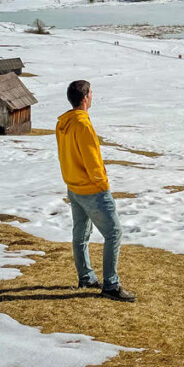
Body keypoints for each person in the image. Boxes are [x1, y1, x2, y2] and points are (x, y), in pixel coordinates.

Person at [55, 80, 136, 302]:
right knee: (114, 233)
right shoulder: (82, 124)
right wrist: (103, 186)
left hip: (74, 186)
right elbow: (92, 162)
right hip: (91, 189)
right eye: (91, 93)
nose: (93, 96)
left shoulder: (64, 123)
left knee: (81, 232)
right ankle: (111, 285)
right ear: (85, 97)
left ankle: (86, 277)